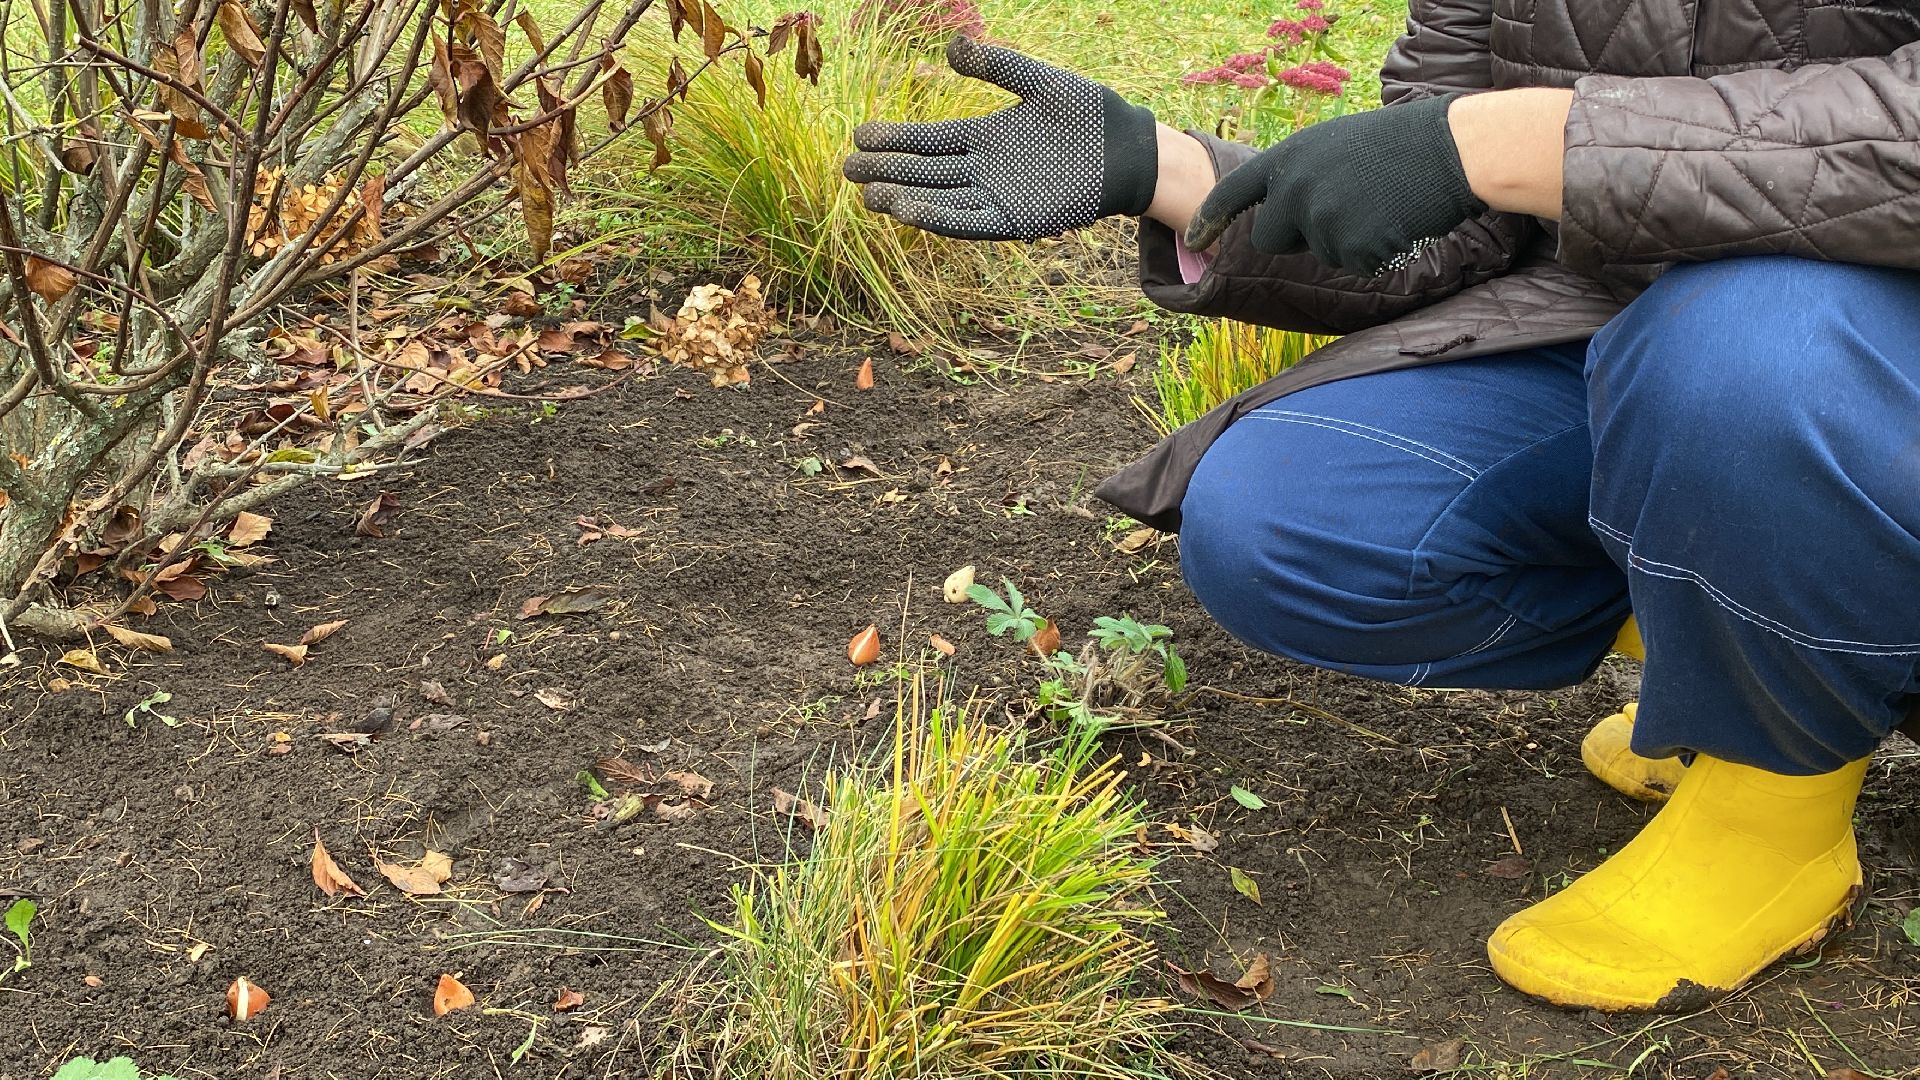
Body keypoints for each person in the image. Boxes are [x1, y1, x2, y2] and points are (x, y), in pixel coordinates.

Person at [841, 0, 1920, 1012]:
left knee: (1741, 353)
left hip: (1841, 352)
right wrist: (1166, 170)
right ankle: (1740, 660)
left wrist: (1513, 140)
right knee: (1290, 519)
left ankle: (1774, 817)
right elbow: (1437, 215)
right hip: (1618, 334)